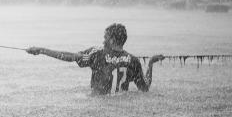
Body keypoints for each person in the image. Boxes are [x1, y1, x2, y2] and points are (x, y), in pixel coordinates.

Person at [26, 23, 165, 95]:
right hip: (121, 104)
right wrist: (151, 63)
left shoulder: (97, 54)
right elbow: (145, 88)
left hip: (99, 102)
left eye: (105, 38)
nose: (103, 41)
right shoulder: (133, 61)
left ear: (111, 40)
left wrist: (42, 50)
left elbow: (71, 57)